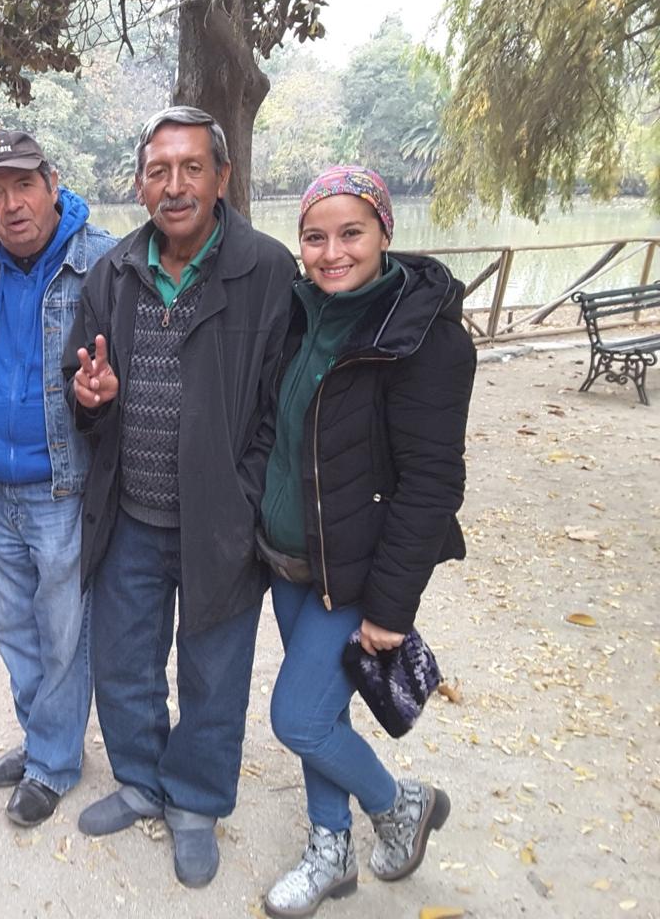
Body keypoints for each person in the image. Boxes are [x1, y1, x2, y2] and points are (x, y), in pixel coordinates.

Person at [64, 106, 296, 887]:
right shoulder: (115, 271)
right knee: (125, 662)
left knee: (213, 671)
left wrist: (243, 492)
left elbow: (280, 404)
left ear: (222, 178)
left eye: (192, 168)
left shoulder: (267, 270)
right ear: (141, 182)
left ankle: (195, 800)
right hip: (130, 510)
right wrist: (90, 397)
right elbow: (80, 380)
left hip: (219, 520)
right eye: (159, 171)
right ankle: (139, 778)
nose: (175, 186)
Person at [257, 166, 475, 918]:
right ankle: (332, 851)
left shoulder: (423, 338)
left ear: (385, 231)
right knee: (325, 713)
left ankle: (400, 803)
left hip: (355, 576)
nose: (331, 252)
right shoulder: (299, 313)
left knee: (299, 718)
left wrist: (389, 606)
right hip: (290, 561)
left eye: (351, 233)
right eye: (315, 237)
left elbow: (431, 484)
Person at [0, 129, 118, 826]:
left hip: (61, 487)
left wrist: (107, 393)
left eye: (23, 185)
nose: (11, 205)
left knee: (61, 634)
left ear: (53, 182)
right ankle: (39, 738)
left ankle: (53, 760)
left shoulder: (104, 262)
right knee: (11, 627)